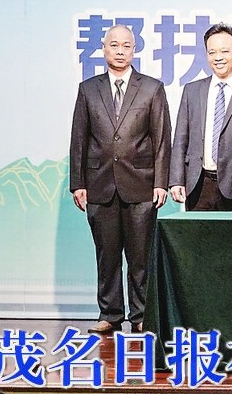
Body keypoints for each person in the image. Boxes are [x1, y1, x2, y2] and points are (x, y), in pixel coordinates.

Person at [69, 24, 171, 333]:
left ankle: (140, 316)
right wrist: (78, 183)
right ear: (103, 49)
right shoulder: (88, 89)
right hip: (99, 184)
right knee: (107, 256)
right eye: (114, 45)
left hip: (141, 184)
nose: (120, 51)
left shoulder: (152, 88)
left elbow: (161, 139)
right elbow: (79, 139)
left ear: (134, 50)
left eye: (126, 45)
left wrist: (161, 182)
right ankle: (110, 314)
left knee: (140, 257)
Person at [169, 23, 232, 212]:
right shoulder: (192, 91)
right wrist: (176, 180)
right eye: (212, 52)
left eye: (224, 51)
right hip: (198, 185)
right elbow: (181, 139)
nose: (218, 57)